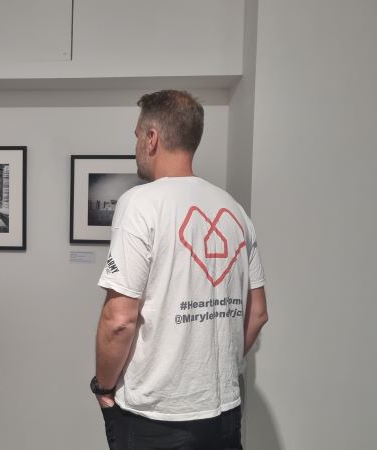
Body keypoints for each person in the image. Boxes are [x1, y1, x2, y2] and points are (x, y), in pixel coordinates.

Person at [92, 90, 268, 450]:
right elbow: (258, 314)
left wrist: (105, 386)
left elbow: (119, 320)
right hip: (224, 413)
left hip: (158, 417)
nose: (137, 146)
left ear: (152, 138)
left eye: (138, 136)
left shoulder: (140, 203)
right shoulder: (234, 210)